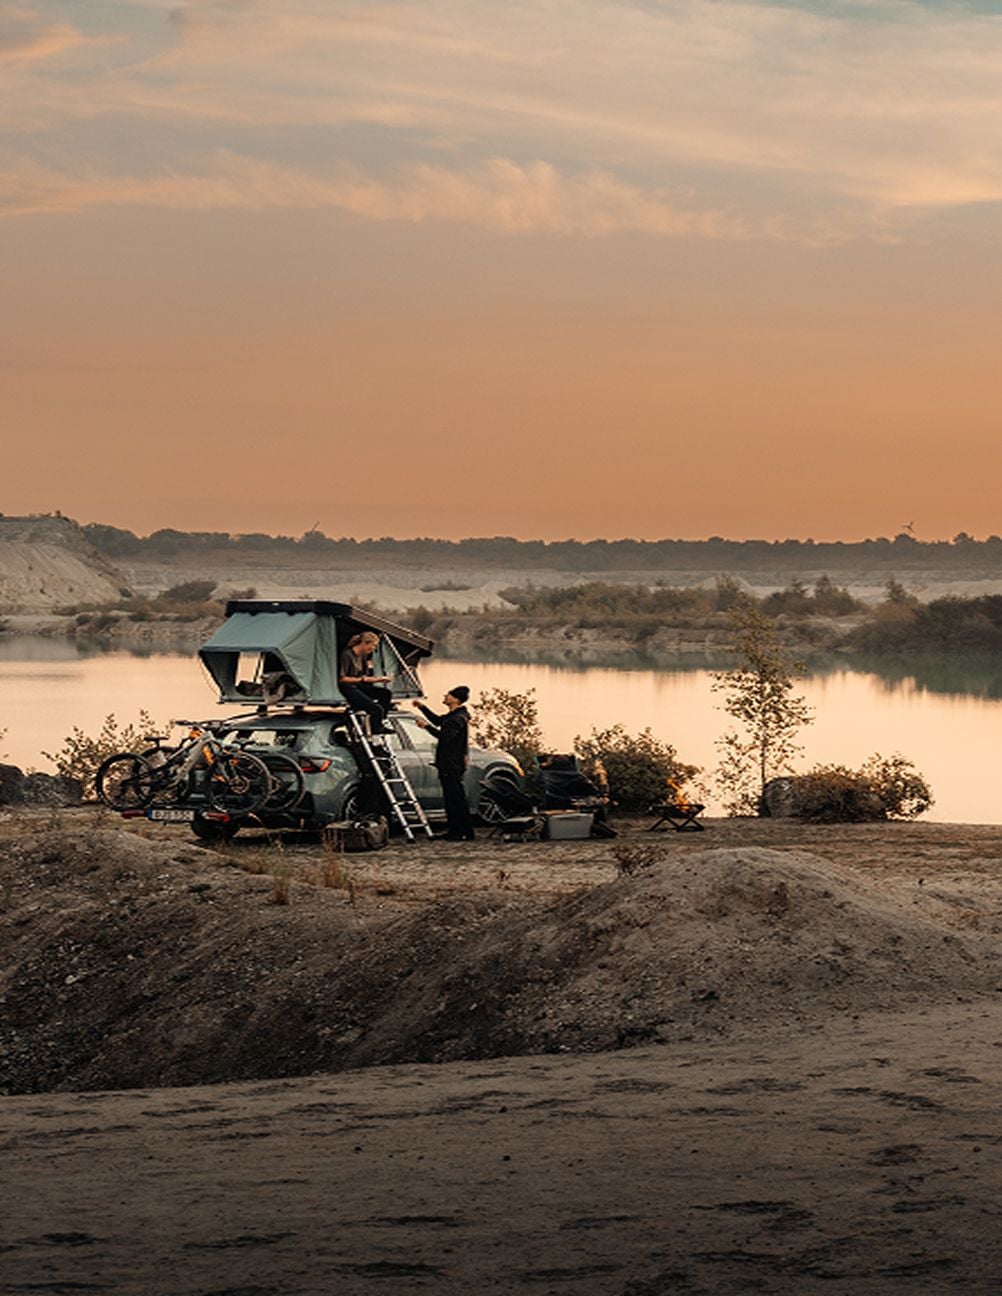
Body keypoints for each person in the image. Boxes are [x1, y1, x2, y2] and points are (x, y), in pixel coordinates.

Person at [412, 686, 475, 841]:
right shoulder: (454, 715)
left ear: (456, 699)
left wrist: (426, 727)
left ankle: (461, 831)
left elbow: (445, 737)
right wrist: (423, 708)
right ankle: (458, 830)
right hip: (450, 762)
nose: (445, 695)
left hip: (451, 763)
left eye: (449, 694)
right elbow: (438, 721)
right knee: (452, 797)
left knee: (455, 798)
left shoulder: (457, 718)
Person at [338, 631, 393, 734]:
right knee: (377, 709)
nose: (373, 649)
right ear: (365, 643)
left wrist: (378, 678)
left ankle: (380, 722)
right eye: (373, 646)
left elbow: (364, 675)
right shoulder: (347, 655)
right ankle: (375, 732)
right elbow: (341, 679)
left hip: (358, 685)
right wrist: (363, 680)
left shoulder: (362, 656)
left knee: (386, 694)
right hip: (347, 687)